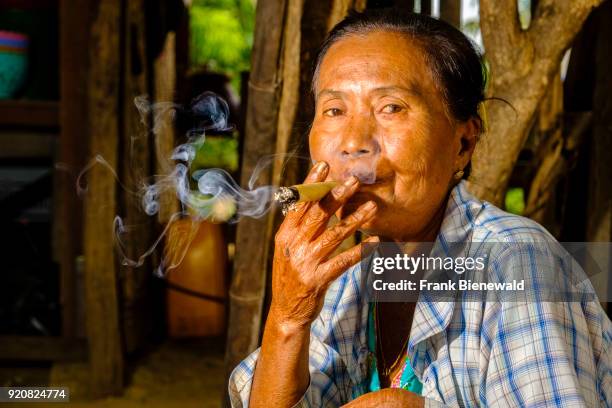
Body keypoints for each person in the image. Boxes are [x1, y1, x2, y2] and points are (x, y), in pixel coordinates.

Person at [228, 9, 611, 407]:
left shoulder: (515, 261)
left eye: (391, 107)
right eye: (335, 110)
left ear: (463, 143)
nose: (354, 142)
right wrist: (288, 318)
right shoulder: (346, 286)